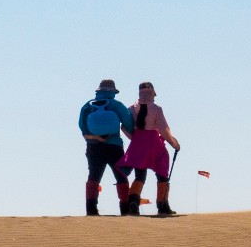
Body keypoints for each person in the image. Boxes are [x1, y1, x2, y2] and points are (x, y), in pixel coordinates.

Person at [119, 81, 182, 217]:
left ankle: (133, 203)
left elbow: (123, 127)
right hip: (154, 143)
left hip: (137, 144)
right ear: (152, 93)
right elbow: (164, 130)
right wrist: (174, 144)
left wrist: (135, 139)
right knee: (162, 174)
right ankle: (162, 205)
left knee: (140, 176)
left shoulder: (131, 109)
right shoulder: (157, 109)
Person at [78, 78, 136, 216]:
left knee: (94, 176)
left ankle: (91, 209)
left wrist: (92, 138)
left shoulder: (88, 105)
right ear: (112, 92)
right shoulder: (116, 105)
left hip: (93, 147)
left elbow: (82, 125)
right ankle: (125, 208)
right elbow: (128, 122)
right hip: (114, 145)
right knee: (121, 176)